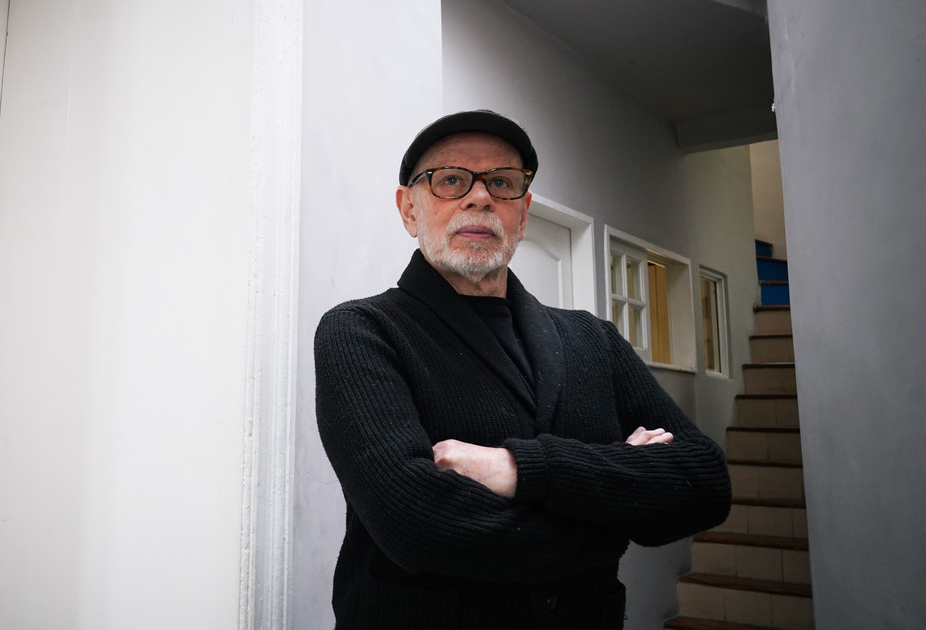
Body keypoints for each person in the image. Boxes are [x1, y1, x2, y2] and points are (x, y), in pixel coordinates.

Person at [313, 110, 732, 629]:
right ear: (409, 210)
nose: (480, 197)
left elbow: (704, 482)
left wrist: (519, 469)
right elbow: (416, 528)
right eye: (450, 180)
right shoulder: (362, 332)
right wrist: (618, 506)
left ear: (523, 212)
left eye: (502, 182)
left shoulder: (592, 340)